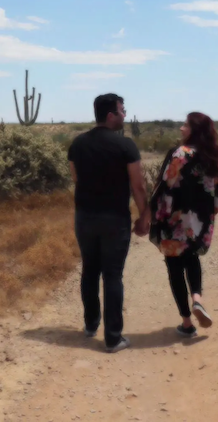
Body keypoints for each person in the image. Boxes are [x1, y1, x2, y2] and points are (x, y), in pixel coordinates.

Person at [67, 93, 150, 353]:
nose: (125, 115)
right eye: (122, 111)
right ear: (111, 115)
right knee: (113, 275)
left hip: (85, 217)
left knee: (90, 270)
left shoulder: (77, 144)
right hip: (115, 219)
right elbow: (138, 185)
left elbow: (75, 178)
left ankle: (91, 324)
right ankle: (113, 338)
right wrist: (145, 216)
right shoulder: (125, 146)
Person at [149, 112, 218, 338]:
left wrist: (152, 214)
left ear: (193, 130)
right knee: (192, 259)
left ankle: (187, 323)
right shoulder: (211, 157)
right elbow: (216, 196)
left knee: (174, 267)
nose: (181, 129)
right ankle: (197, 300)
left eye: (185, 125)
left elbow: (166, 184)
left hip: (174, 219)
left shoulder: (180, 153)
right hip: (197, 221)